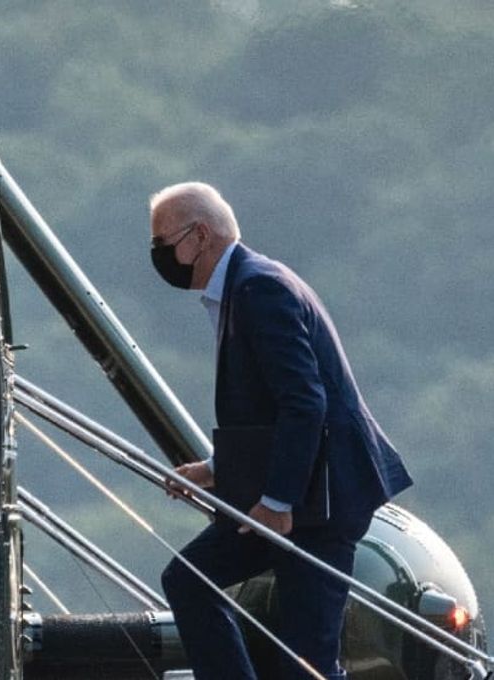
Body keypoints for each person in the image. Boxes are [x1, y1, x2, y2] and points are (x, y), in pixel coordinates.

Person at [149, 182, 412, 679]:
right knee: (189, 579)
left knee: (308, 663)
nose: (158, 256)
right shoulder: (243, 287)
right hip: (293, 493)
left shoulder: (259, 289)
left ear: (199, 235)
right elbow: (267, 412)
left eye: (163, 243)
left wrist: (277, 502)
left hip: (322, 499)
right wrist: (215, 469)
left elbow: (304, 402)